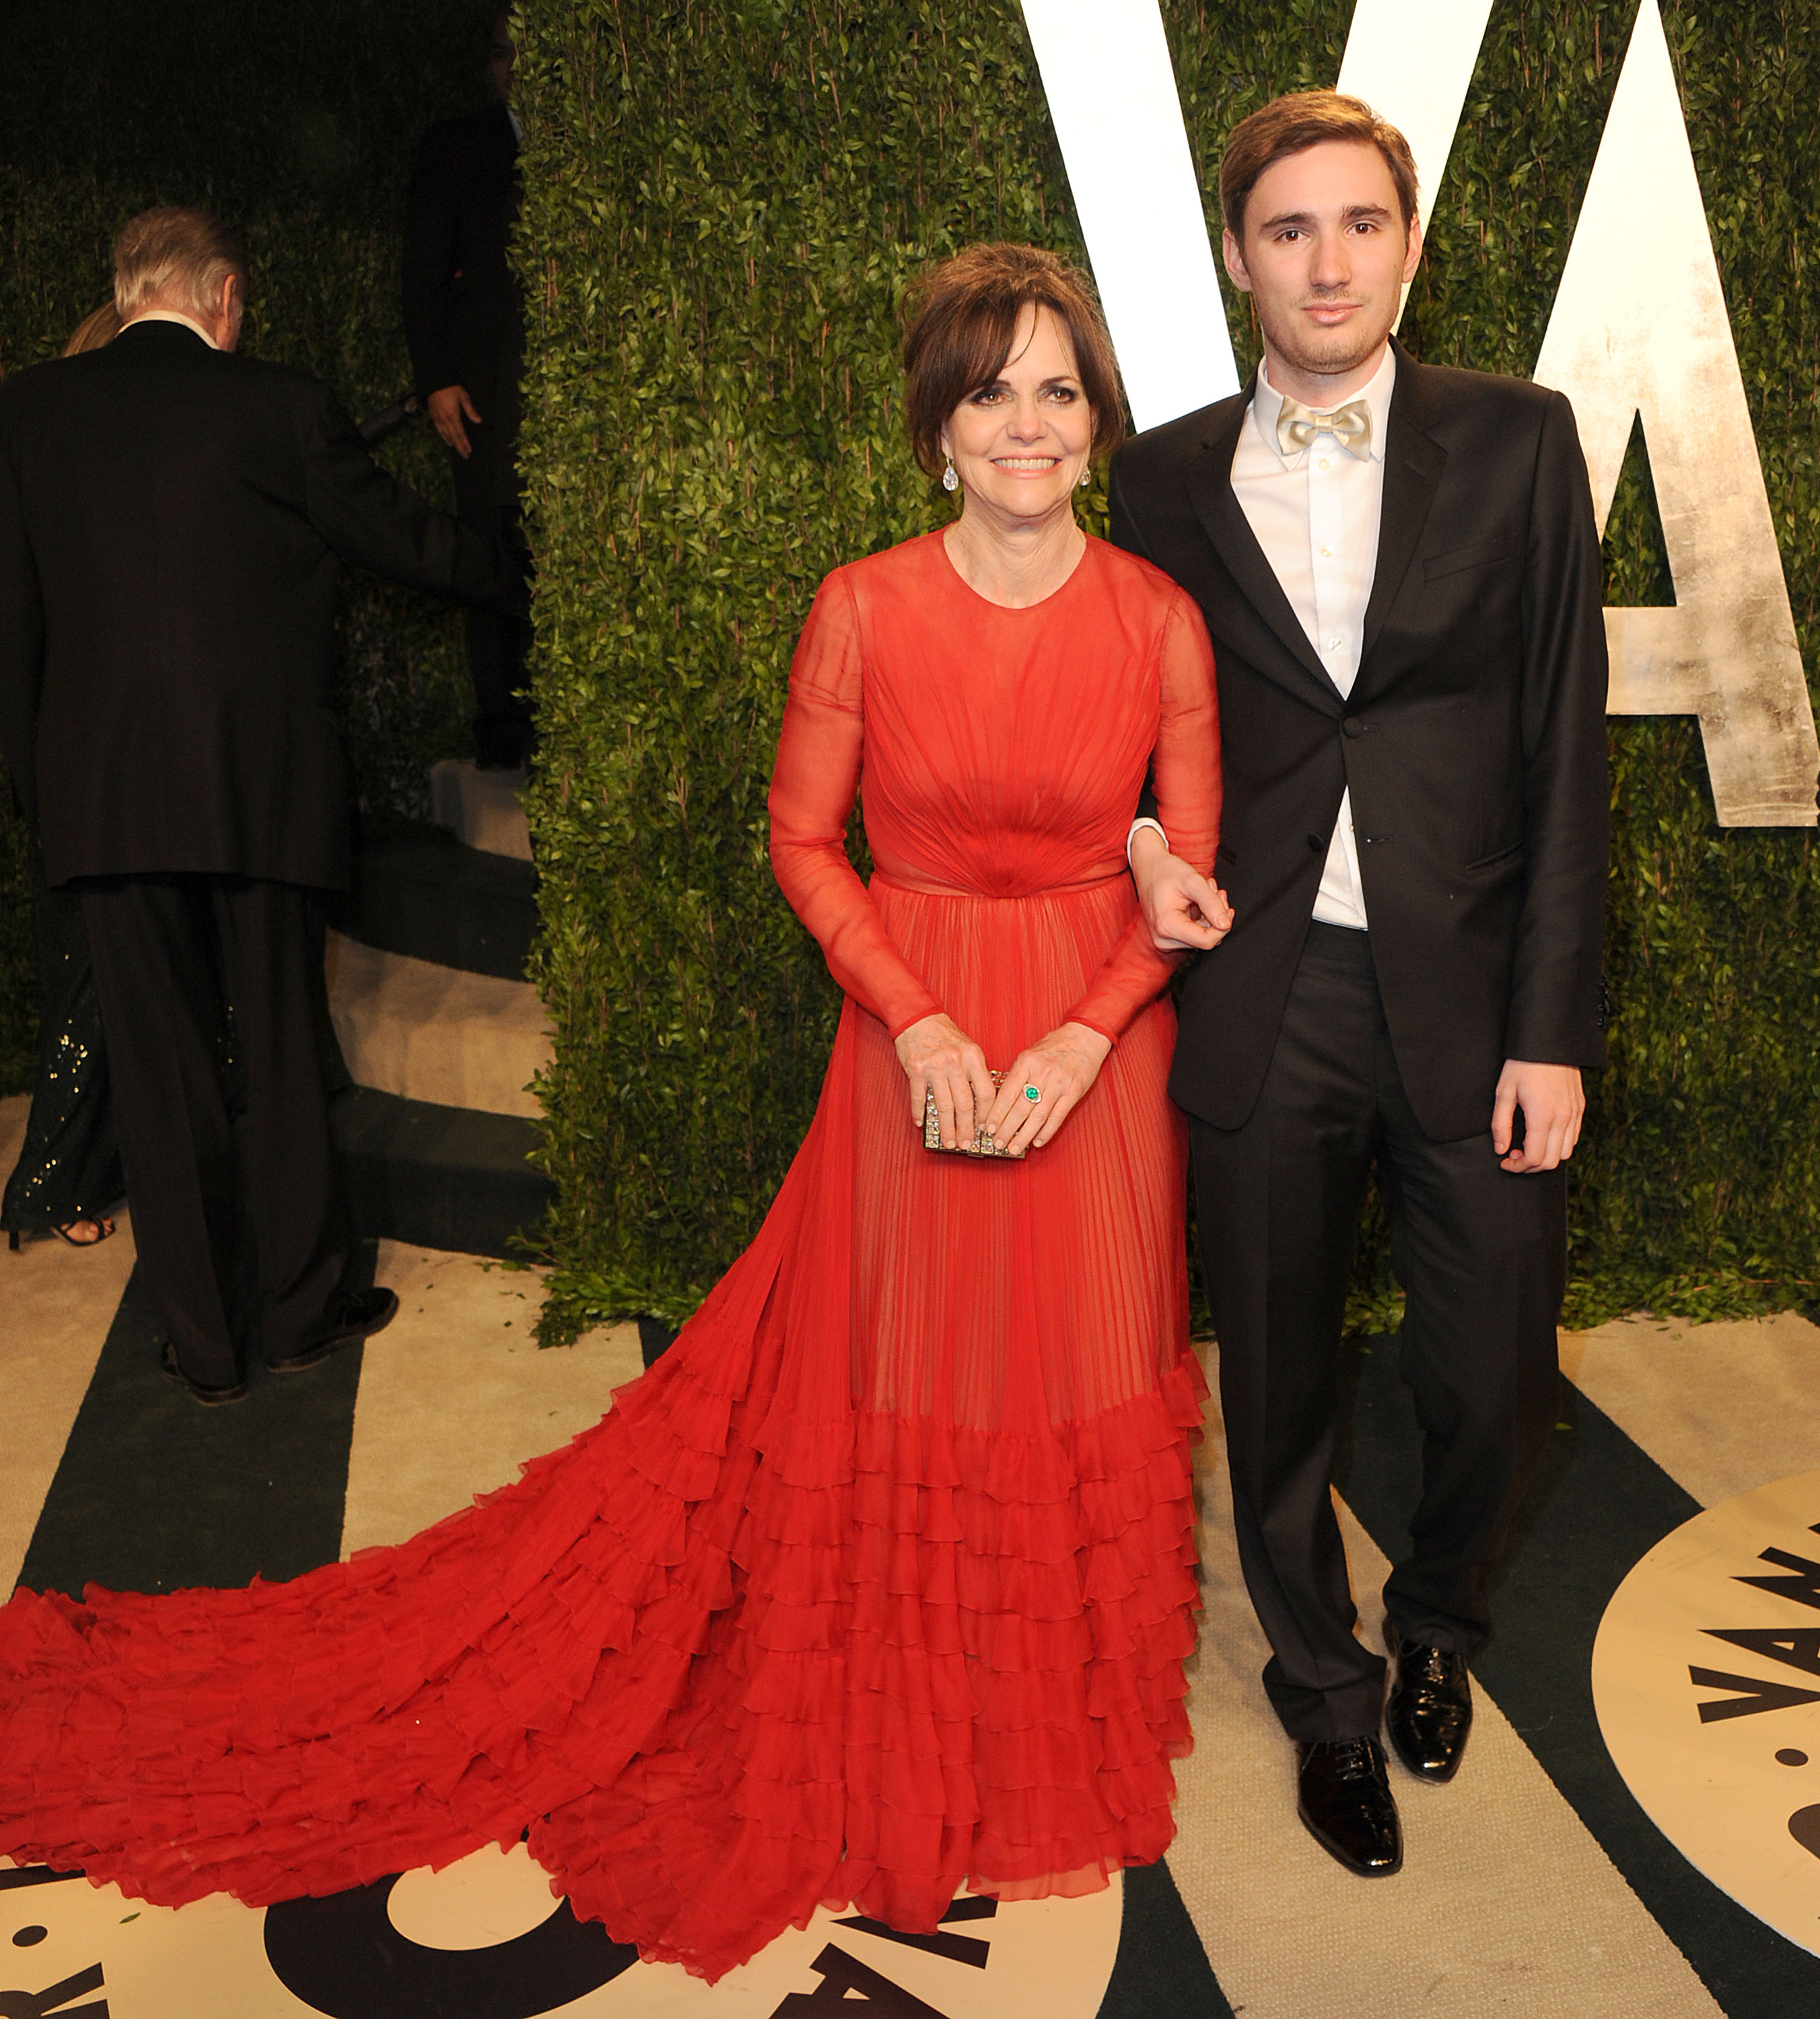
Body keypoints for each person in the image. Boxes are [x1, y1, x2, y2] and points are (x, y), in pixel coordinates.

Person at [0, 242, 1219, 1984]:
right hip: (916, 1045)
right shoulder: (865, 606)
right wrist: (929, 1020)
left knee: (1075, 1381)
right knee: (924, 1380)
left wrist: (1091, 1033)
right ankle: (924, 1695)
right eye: (987, 389)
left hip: (1100, 1071)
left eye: (1055, 389)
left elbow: (1190, 849)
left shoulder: (1158, 617)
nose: (1024, 422)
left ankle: (1038, 1711)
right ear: (934, 425)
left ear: (1094, 422)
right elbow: (808, 845)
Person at [1109, 92, 1609, 1876]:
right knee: (1278, 1382)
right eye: (1287, 229)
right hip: (1258, 994)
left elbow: (1559, 749)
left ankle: (1441, 1627)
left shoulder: (1520, 442)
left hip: (1470, 998)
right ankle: (1322, 1693)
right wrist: (1135, 851)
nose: (1324, 261)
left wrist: (1550, 1031)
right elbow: (1118, 733)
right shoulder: (1159, 474)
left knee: (1492, 1374)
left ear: (1406, 241)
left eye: (1357, 224)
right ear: (1240, 255)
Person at [0, 206, 517, 1404]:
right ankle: (297, 1313)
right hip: (262, 789)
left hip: (102, 796)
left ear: (129, 292)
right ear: (225, 297)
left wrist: (43, 795)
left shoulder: (26, 411)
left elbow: (11, 624)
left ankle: (203, 1344)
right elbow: (396, 539)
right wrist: (510, 571)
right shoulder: (279, 404)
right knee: (281, 1044)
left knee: (155, 1061)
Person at [2, 302, 125, 1253]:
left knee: (103, 978)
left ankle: (80, 1171)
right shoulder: (53, 494)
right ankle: (52, 1181)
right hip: (75, 775)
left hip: (90, 770)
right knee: (90, 982)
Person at [403, 7, 532, 771]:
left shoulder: (584, 140)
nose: (510, 65)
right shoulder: (455, 144)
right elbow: (421, 272)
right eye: (497, 53)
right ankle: (500, 730)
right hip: (481, 389)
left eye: (521, 51)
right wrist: (436, 381)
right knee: (488, 545)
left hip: (559, 388)